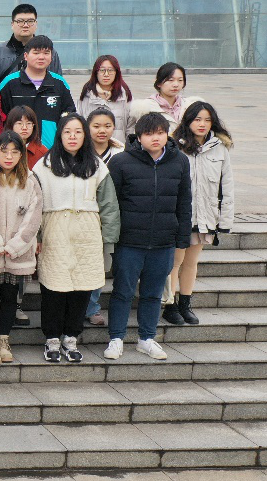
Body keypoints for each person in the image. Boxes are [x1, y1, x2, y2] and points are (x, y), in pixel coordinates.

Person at [104, 112, 192, 361]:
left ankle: (147, 338)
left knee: (153, 293)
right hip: (129, 241)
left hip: (164, 240)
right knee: (122, 291)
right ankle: (116, 338)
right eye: (149, 133)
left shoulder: (179, 161)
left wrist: (182, 236)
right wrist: (111, 236)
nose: (156, 138)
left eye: (161, 133)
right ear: (139, 136)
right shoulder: (121, 162)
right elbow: (111, 203)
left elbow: (184, 201)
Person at [33, 114, 120, 363]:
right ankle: (52, 339)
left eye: (78, 132)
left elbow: (109, 205)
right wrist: (36, 235)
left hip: (87, 232)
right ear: (59, 135)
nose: (73, 136)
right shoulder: (44, 165)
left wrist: (108, 239)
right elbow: (34, 203)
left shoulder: (96, 166)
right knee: (53, 288)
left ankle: (71, 338)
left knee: (82, 288)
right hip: (55, 231)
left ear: (85, 136)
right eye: (67, 131)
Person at [166, 101, 235, 325]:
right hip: (179, 215)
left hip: (205, 216)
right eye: (197, 119)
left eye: (207, 120)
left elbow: (227, 186)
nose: (202, 124)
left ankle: (185, 304)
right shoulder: (174, 146)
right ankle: (169, 305)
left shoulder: (220, 148)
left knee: (191, 262)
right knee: (175, 261)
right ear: (188, 121)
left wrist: (224, 221)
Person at [0, 132, 43, 365]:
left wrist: (16, 244)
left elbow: (34, 216)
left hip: (18, 252)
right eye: (4, 151)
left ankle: (4, 339)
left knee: (10, 296)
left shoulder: (30, 180)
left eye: (15, 152)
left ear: (21, 155)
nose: (9, 156)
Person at [84, 107, 125, 325]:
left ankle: (92, 307)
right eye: (96, 126)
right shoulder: (80, 151)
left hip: (111, 216)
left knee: (100, 264)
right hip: (85, 215)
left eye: (108, 126)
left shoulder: (122, 154)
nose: (102, 130)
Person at [0, 35, 75, 150]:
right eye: (36, 53)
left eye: (46, 53)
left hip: (51, 150)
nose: (41, 57)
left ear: (52, 57)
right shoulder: (9, 83)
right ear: (25, 56)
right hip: (16, 150)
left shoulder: (60, 83)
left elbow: (69, 116)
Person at [0, 4, 64, 87]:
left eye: (30, 21)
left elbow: (58, 84)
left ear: (36, 24)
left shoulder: (50, 53)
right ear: (12, 24)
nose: (25, 25)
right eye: (20, 21)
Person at [78, 55, 133, 139]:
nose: (106, 74)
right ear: (96, 72)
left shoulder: (125, 96)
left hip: (119, 145)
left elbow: (130, 128)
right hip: (92, 146)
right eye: (102, 70)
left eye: (110, 70)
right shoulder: (86, 96)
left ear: (116, 72)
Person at [132, 62, 201, 129]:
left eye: (180, 80)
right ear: (159, 83)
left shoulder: (190, 105)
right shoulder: (145, 108)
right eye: (171, 80)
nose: (176, 84)